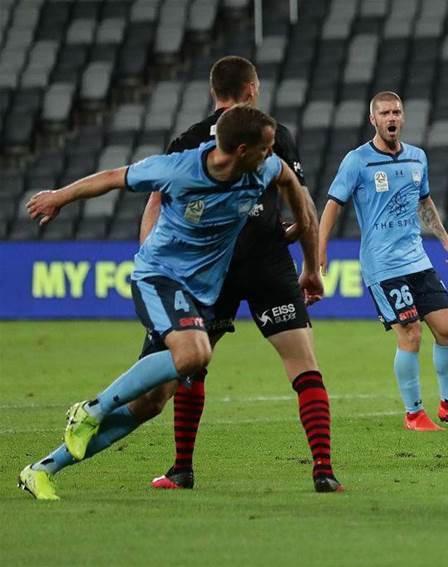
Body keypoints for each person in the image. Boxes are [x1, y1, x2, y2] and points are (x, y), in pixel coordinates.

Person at [19, 105, 324, 499]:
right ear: (243, 149)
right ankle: (90, 410)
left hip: (202, 294)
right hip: (160, 277)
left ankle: (42, 469)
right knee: (196, 354)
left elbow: (290, 183)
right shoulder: (179, 169)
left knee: (150, 403)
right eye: (266, 148)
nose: (273, 153)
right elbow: (114, 177)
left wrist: (302, 225)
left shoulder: (264, 167)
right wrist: (59, 197)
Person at [128, 55, 340, 493]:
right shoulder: (272, 134)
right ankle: (323, 470)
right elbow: (302, 204)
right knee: (303, 367)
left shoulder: (188, 139)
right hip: (267, 260)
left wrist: (159, 268)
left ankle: (181, 469)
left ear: (213, 91)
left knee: (192, 365)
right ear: (251, 90)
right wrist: (312, 268)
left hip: (208, 267)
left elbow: (153, 207)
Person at [318, 91, 448, 431]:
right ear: (373, 120)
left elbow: (424, 202)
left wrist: (446, 240)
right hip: (383, 265)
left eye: (396, 112)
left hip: (417, 259)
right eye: (384, 113)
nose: (391, 118)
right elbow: (334, 204)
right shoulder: (357, 161)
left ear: (403, 117)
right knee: (410, 333)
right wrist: (318, 249)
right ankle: (413, 414)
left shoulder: (417, 158)